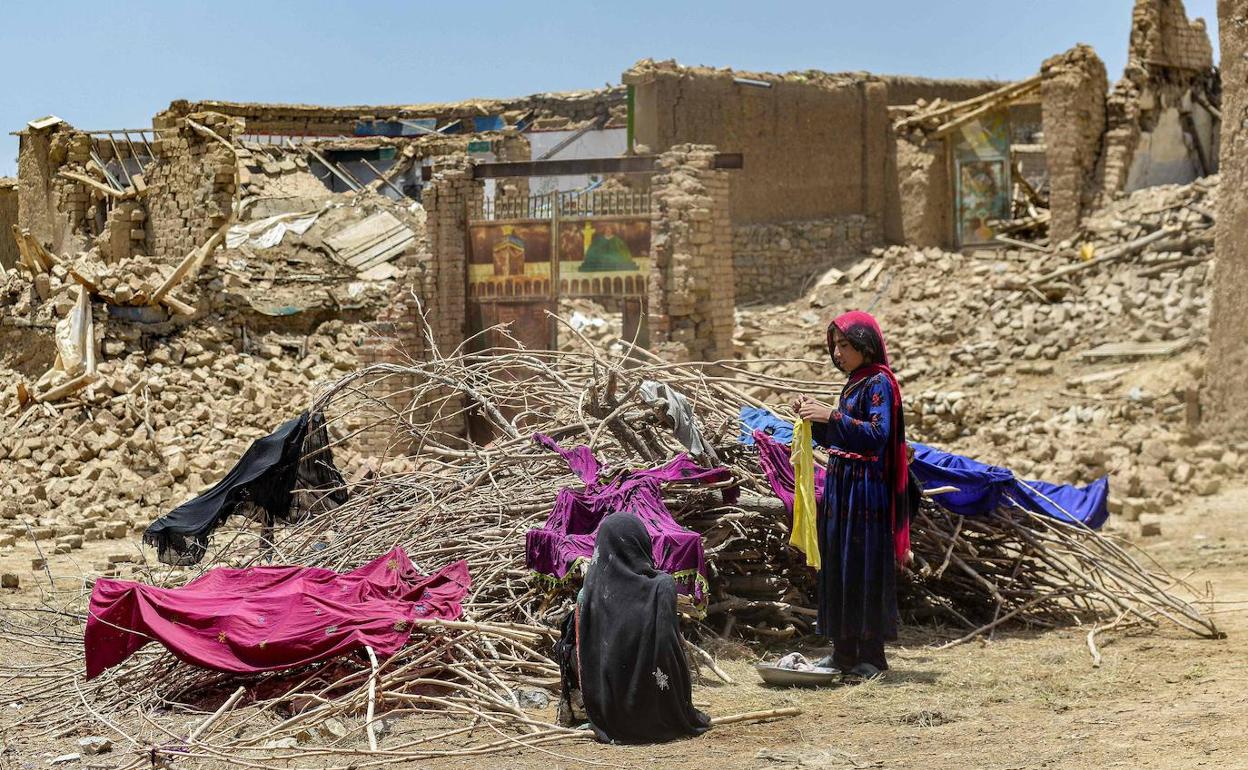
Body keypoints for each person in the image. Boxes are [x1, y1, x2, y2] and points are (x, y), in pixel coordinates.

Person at [792, 310, 910, 680]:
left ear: (865, 344)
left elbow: (876, 436)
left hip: (866, 493)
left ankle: (872, 657)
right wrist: (814, 421)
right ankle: (843, 655)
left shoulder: (879, 383)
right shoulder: (854, 384)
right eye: (834, 346)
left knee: (864, 568)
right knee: (841, 566)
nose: (837, 353)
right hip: (844, 489)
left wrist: (832, 416)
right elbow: (844, 439)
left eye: (844, 344)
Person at [555, 512, 711, 744]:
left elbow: (583, 657)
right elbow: (668, 652)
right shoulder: (661, 587)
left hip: (608, 715)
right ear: (641, 543)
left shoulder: (587, 595)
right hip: (658, 713)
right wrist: (680, 703)